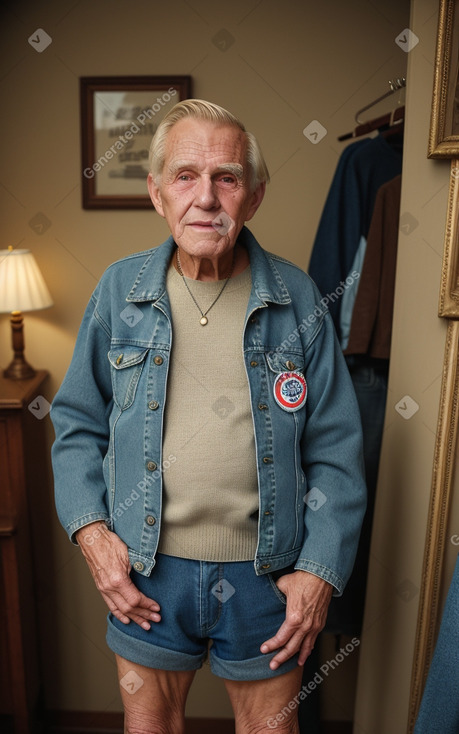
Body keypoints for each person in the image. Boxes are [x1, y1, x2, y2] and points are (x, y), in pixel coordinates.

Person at [51, 99, 366, 734]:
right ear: (157, 192)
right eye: (185, 176)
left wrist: (318, 569)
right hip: (148, 570)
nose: (206, 198)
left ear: (253, 197)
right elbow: (76, 426)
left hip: (266, 575)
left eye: (226, 177)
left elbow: (335, 447)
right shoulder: (119, 291)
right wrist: (94, 538)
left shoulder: (297, 296)